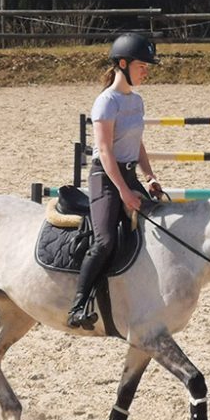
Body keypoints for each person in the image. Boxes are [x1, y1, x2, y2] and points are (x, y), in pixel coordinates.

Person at [67, 33, 164, 329]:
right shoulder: (106, 102)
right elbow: (106, 151)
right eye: (142, 65)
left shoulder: (136, 101)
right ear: (123, 64)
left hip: (129, 173)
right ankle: (79, 304)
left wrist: (150, 177)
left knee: (158, 222)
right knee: (105, 240)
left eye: (148, 66)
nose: (146, 70)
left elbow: (138, 143)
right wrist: (124, 192)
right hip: (104, 177)